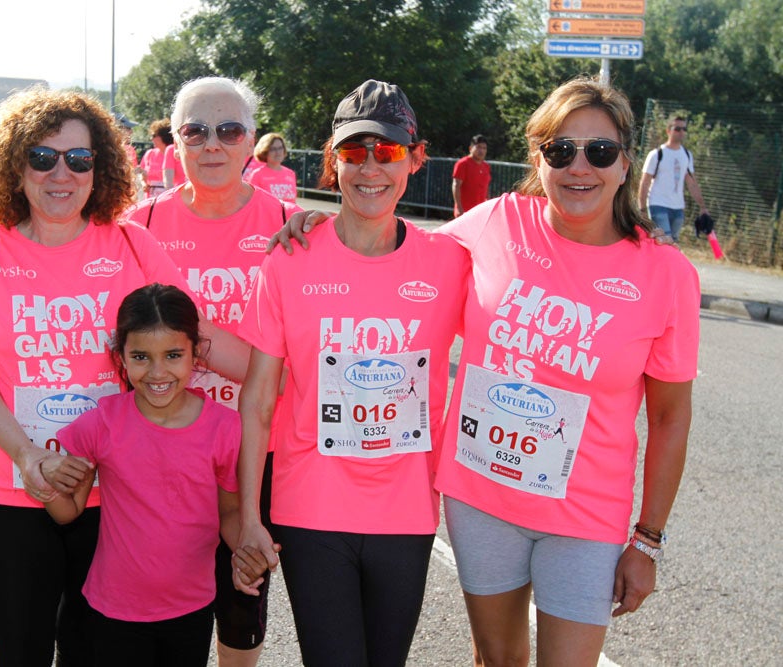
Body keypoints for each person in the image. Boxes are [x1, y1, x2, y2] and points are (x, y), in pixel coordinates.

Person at [0, 87, 249, 667]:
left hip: (118, 495)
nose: (62, 173)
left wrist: (286, 377)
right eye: (43, 157)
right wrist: (28, 455)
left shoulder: (134, 243)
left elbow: (195, 335)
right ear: (14, 164)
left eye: (79, 159)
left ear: (99, 167)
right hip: (9, 490)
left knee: (96, 654)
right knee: (19, 652)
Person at [431, 78, 699, 666]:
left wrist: (647, 540)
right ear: (538, 158)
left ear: (627, 162)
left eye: (599, 152)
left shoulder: (666, 273)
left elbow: (672, 417)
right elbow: (395, 261)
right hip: (481, 496)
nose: (580, 167)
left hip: (585, 514)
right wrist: (320, 230)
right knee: (496, 660)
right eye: (561, 150)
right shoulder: (496, 221)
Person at [235, 79, 468, 667]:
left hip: (406, 508)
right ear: (332, 162)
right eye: (353, 152)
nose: (370, 168)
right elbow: (258, 400)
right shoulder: (289, 258)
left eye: (386, 152)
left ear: (416, 159)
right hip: (311, 506)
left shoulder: (451, 261)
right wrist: (246, 518)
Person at [125, 75, 301, 667]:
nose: (212, 145)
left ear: (252, 139)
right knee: (161, 601)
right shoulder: (138, 226)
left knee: (241, 601)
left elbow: (289, 365)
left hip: (255, 449)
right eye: (195, 131)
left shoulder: (291, 225)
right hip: (164, 445)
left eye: (229, 130)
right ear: (173, 142)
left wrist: (188, 339)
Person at [44, 282, 251, 667]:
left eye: (173, 355)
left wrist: (246, 550)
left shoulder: (226, 428)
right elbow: (67, 512)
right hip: (113, 609)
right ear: (120, 356)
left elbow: (230, 512)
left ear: (196, 353)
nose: (158, 372)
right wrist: (45, 481)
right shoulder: (102, 422)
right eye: (141, 356)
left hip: (192, 606)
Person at [639, 116, 708, 242]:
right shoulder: (657, 154)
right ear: (668, 130)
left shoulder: (686, 155)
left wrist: (703, 206)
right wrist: (642, 208)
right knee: (665, 241)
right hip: (658, 203)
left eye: (684, 129)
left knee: (673, 242)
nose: (681, 132)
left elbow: (691, 183)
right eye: (677, 129)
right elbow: (645, 182)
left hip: (678, 206)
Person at [244, 133, 298, 204]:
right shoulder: (257, 175)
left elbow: (293, 203)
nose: (278, 152)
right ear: (265, 152)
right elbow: (252, 203)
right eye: (273, 149)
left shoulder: (290, 173)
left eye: (280, 148)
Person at [452, 134, 491, 217]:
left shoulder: (486, 166)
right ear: (470, 148)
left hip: (480, 212)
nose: (481, 151)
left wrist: (489, 205)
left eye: (484, 148)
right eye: (478, 147)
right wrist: (459, 207)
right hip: (465, 212)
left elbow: (486, 187)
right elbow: (456, 186)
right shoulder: (462, 164)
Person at [140, 119, 173, 197]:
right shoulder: (150, 154)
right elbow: (142, 173)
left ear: (164, 136)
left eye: (154, 135)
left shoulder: (176, 154)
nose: (151, 139)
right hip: (151, 198)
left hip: (169, 196)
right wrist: (144, 183)